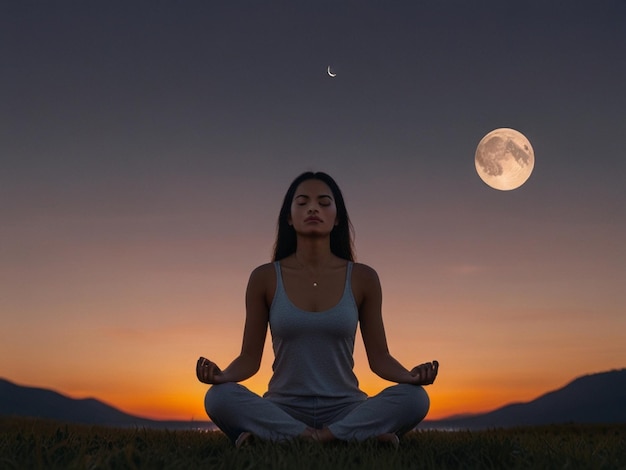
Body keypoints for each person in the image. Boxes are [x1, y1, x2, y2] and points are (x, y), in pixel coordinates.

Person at [196, 171, 439, 446]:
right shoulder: (264, 277)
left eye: (324, 203)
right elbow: (249, 358)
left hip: (346, 407)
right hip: (282, 407)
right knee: (218, 397)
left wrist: (411, 376)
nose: (313, 208)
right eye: (302, 202)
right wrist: (222, 376)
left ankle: (296, 438)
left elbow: (380, 358)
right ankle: (348, 439)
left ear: (337, 218)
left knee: (415, 398)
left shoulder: (363, 278)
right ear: (289, 217)